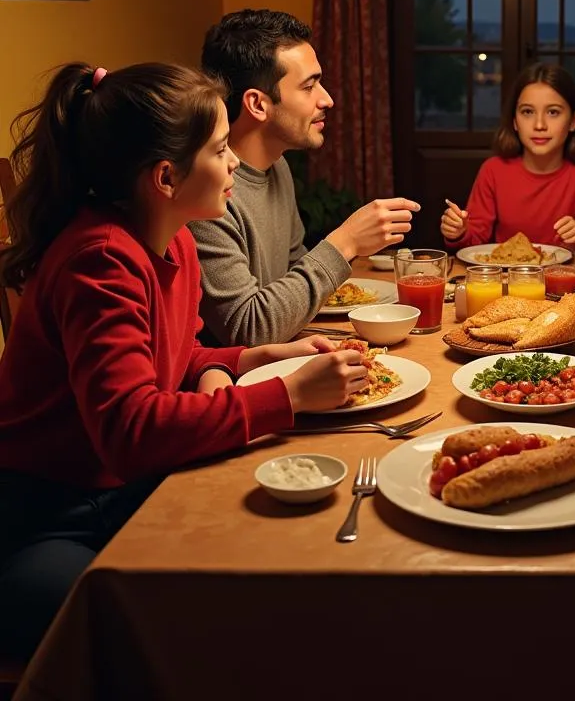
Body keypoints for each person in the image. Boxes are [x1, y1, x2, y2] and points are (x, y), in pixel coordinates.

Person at [0, 63, 370, 660]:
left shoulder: (172, 236)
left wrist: (257, 355)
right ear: (166, 177)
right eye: (222, 150)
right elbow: (129, 430)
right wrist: (289, 395)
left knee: (274, 562)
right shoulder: (99, 261)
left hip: (122, 490)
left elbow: (177, 352)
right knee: (178, 628)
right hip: (46, 517)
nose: (234, 166)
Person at [193, 9, 420, 346]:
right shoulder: (206, 194)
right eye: (309, 86)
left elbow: (291, 274)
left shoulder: (277, 167)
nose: (326, 99)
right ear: (258, 104)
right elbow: (247, 330)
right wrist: (346, 242)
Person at [441, 63, 575, 249]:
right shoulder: (494, 170)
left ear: (574, 120)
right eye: (527, 112)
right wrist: (459, 231)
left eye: (553, 112)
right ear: (514, 120)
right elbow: (476, 235)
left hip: (567, 276)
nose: (539, 125)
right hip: (507, 276)